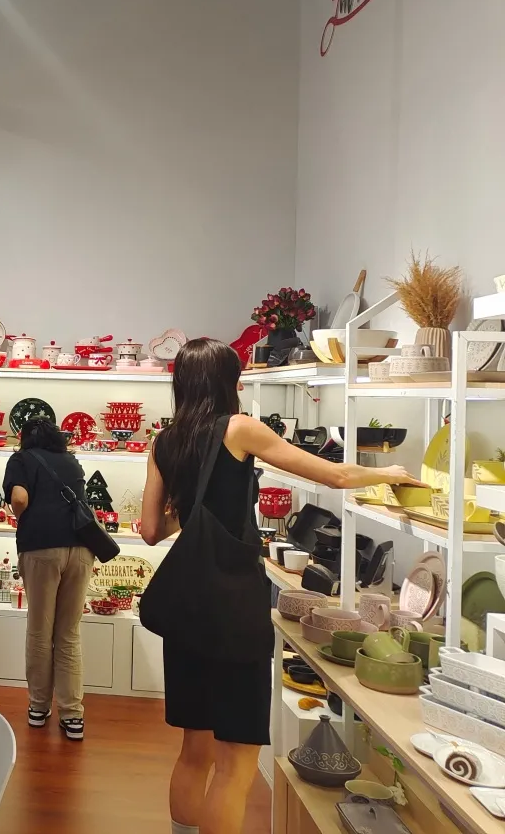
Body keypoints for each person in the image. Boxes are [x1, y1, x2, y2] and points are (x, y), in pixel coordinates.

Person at [140, 338, 421, 834]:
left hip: (187, 610)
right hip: (233, 609)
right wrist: (392, 473)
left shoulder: (164, 442)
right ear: (228, 381)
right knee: (236, 762)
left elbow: (150, 531)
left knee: (193, 751)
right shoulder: (239, 428)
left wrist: (190, 514)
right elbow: (334, 475)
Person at [3, 417, 92, 741]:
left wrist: (25, 519)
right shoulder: (70, 461)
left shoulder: (21, 460)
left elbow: (19, 499)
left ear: (24, 437)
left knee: (40, 632)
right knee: (68, 633)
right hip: (81, 549)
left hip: (41, 549)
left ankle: (39, 708)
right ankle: (72, 715)